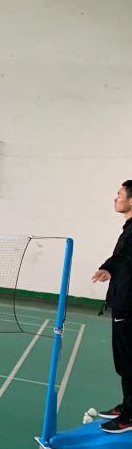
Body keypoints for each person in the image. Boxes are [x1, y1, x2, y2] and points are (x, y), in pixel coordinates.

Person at [91, 180, 132, 434]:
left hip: (128, 306)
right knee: (125, 362)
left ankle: (129, 415)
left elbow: (125, 254)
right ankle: (127, 406)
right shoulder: (129, 227)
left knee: (129, 362)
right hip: (123, 303)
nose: (115, 198)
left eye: (119, 194)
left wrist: (108, 267)